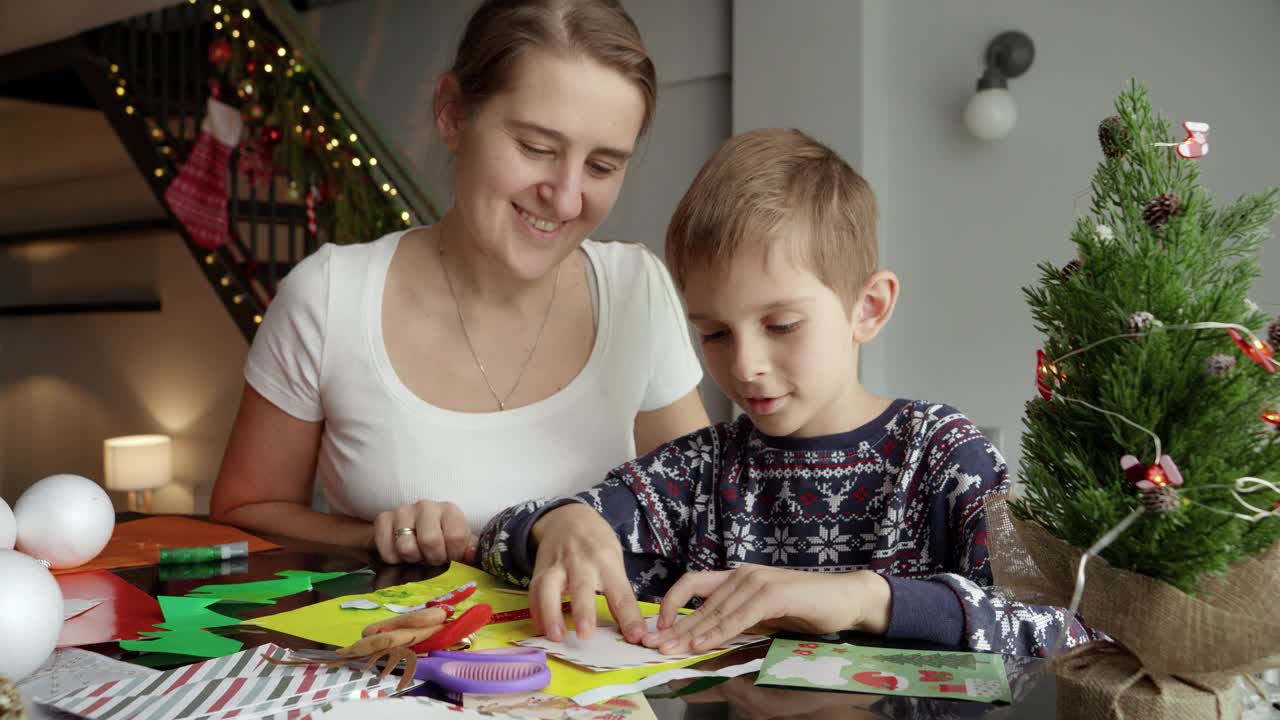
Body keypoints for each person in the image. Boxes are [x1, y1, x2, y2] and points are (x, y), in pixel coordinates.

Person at [476, 128, 1101, 657]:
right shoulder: (702, 468)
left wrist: (867, 599)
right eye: (715, 332)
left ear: (869, 307)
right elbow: (500, 540)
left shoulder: (941, 455)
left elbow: (1071, 627)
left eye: (781, 326)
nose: (745, 366)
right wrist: (559, 523)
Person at [210, 0, 709, 567]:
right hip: (396, 655)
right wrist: (379, 536)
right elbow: (244, 514)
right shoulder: (329, 296)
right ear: (451, 113)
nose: (567, 198)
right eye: (537, 148)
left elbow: (700, 518)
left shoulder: (635, 289)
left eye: (602, 166)